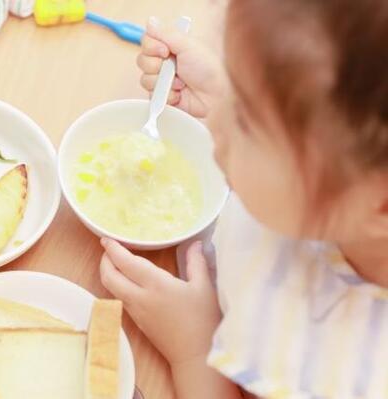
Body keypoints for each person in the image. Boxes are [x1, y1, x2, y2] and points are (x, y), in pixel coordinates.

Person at [100, 1, 388, 397]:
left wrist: (195, 347)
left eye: (247, 121)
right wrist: (231, 89)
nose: (216, 123)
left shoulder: (341, 375)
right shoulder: (343, 196)